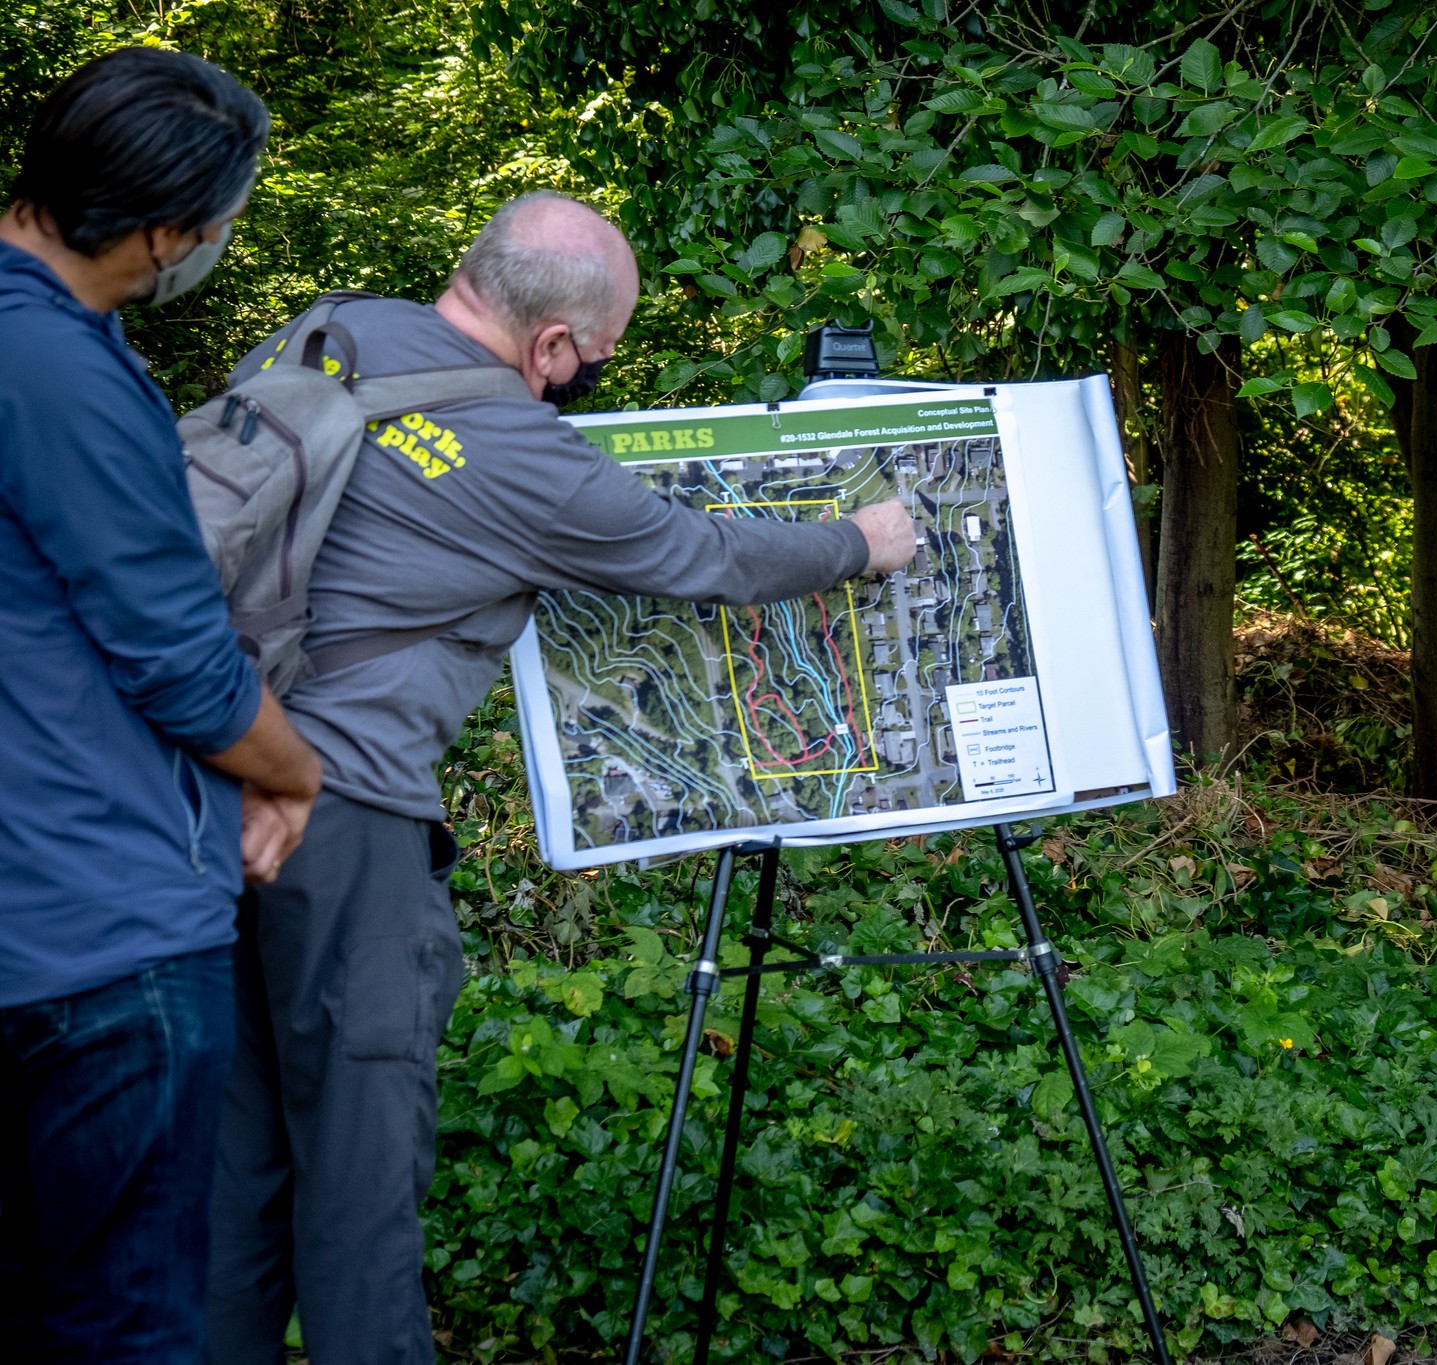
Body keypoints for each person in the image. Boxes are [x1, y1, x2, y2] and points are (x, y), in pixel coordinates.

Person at [203, 190, 917, 1365]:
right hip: (347, 820)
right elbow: (701, 556)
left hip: (212, 782)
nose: (582, 378)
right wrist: (864, 543)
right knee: (361, 1170)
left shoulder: (328, 335)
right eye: (592, 359)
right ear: (549, 345)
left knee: (241, 1163)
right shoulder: (523, 453)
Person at [0, 48, 326, 1365]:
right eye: (215, 220)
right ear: (159, 232)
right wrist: (288, 770)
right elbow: (178, 659)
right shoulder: (57, 373)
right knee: (124, 1326)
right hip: (96, 936)